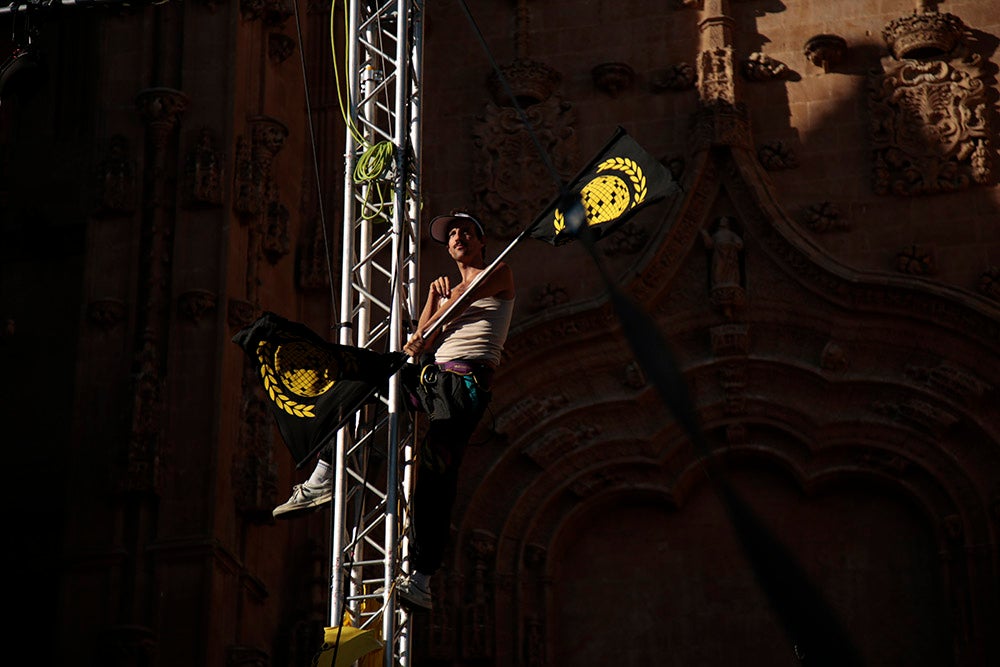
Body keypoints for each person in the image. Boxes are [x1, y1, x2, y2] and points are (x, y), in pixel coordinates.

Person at [272, 211, 515, 612]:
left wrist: (438, 304)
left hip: (463, 386)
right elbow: (423, 340)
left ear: (481, 241)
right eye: (452, 233)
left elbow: (456, 307)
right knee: (365, 378)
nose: (458, 236)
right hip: (434, 378)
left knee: (436, 477)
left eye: (466, 231)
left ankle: (421, 577)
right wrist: (430, 304)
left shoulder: (498, 270)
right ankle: (325, 474)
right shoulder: (446, 290)